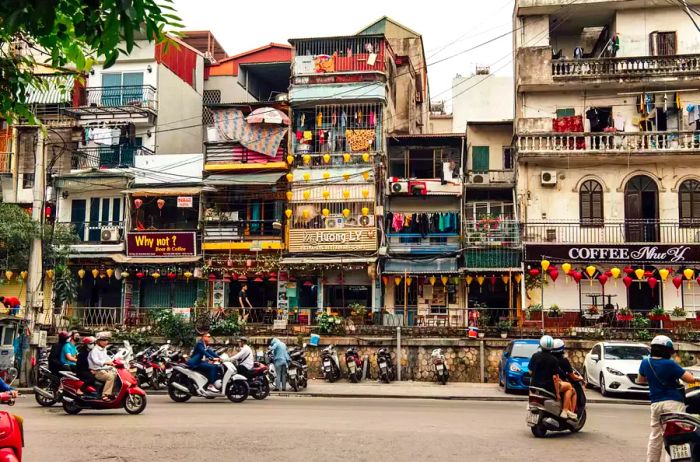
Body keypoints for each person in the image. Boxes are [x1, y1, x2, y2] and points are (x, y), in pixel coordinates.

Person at [638, 335, 696, 462]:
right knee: (676, 437)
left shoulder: (645, 362)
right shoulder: (670, 364)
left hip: (655, 404)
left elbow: (640, 380)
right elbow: (690, 379)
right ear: (666, 351)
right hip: (673, 403)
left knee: (655, 436)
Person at [529, 335, 575, 420]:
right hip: (549, 387)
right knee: (569, 387)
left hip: (534, 386)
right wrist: (557, 394)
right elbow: (555, 378)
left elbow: (530, 371)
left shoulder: (535, 356)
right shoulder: (554, 360)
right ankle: (565, 410)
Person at [552, 339, 581, 419]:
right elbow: (556, 377)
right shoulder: (561, 361)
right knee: (571, 389)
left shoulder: (539, 358)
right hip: (555, 383)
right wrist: (580, 378)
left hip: (540, 384)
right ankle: (568, 411)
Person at [88, 332, 117, 401]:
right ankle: (105, 395)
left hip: (104, 369)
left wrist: (114, 361)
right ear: (98, 341)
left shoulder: (104, 349)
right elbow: (96, 361)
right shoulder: (95, 350)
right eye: (103, 340)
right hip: (96, 371)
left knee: (116, 374)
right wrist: (106, 362)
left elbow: (107, 358)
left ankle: (112, 392)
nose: (105, 342)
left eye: (106, 340)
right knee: (110, 377)